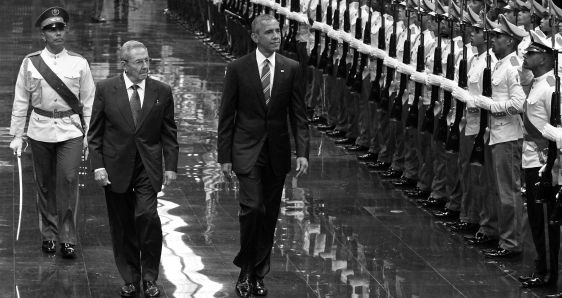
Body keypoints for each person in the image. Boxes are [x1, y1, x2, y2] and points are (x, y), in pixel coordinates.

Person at [217, 13, 310, 298]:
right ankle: (245, 268)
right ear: (255, 37)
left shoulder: (291, 67)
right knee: (253, 209)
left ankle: (258, 273)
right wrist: (224, 156)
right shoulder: (238, 68)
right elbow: (227, 114)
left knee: (268, 215)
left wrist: (302, 152)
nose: (276, 36)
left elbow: (298, 113)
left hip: (277, 151)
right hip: (246, 150)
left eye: (278, 31)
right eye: (269, 32)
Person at [87, 40, 179, 298]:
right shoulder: (106, 89)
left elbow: (169, 132)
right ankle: (130, 277)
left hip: (148, 166)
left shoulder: (162, 90)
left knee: (147, 217)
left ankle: (150, 278)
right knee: (123, 224)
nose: (145, 66)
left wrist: (170, 165)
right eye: (139, 62)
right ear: (124, 65)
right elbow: (95, 133)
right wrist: (98, 166)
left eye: (148, 60)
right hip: (115, 166)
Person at [8, 7, 95, 258]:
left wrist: (89, 134)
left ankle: (67, 237)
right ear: (43, 35)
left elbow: (88, 101)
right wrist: (17, 134)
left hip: (71, 131)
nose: (57, 33)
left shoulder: (79, 63)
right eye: (51, 29)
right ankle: (48, 233)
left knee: (68, 182)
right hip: (39, 130)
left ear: (65, 31)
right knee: (44, 185)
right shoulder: (30, 63)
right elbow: (21, 99)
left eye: (60, 28)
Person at [517, 29, 560, 288]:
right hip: (531, 158)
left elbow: (555, 127)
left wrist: (547, 162)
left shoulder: (551, 87)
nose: (526, 55)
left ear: (545, 57)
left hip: (543, 163)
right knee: (535, 218)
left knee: (544, 220)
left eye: (532, 53)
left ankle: (549, 273)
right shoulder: (537, 82)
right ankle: (542, 266)